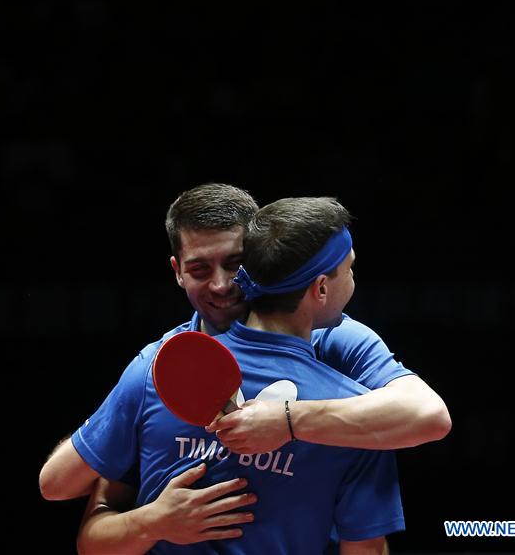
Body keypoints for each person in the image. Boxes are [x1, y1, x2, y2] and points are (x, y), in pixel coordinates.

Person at [39, 184, 450, 549]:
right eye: (200, 268)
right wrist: (151, 521)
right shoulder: (156, 366)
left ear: (257, 257)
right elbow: (62, 492)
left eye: (234, 264)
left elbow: (429, 415)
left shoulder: (340, 342)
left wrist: (287, 421)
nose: (220, 285)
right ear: (177, 272)